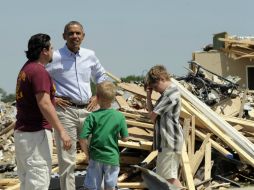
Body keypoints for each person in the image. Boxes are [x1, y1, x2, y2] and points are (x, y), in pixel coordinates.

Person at [46, 21, 108, 190]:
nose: (75, 36)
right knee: (67, 159)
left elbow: (101, 76)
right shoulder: (55, 56)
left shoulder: (90, 55)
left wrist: (97, 95)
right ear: (64, 36)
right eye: (71, 33)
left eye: (78, 33)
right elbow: (39, 78)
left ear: (83, 36)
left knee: (97, 153)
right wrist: (52, 98)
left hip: (88, 111)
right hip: (65, 112)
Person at [14, 33, 72, 190]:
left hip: (23, 134)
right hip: (35, 134)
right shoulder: (39, 72)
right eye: (51, 48)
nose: (53, 51)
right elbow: (44, 104)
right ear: (44, 51)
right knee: (38, 181)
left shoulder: (26, 69)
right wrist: (62, 131)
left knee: (27, 182)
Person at [80, 81, 129, 190]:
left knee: (93, 187)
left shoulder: (92, 116)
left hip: (96, 156)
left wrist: (87, 155)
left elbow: (82, 138)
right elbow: (125, 139)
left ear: (96, 97)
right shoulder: (119, 116)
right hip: (112, 157)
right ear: (114, 98)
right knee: (110, 187)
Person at [145, 65, 184, 188]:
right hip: (166, 142)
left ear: (162, 78)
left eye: (155, 86)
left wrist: (152, 111)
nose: (155, 90)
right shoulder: (166, 94)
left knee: (169, 178)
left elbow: (152, 116)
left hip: (170, 141)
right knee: (164, 177)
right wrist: (148, 96)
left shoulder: (170, 93)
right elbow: (152, 115)